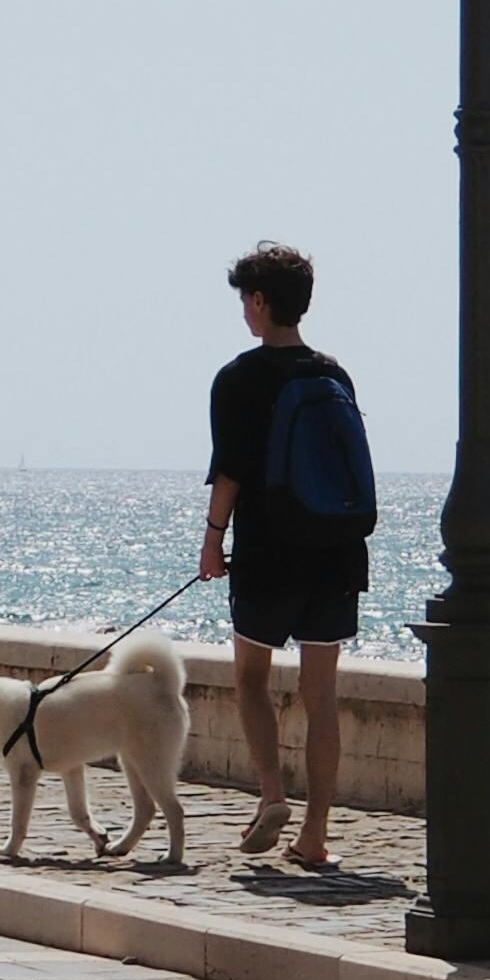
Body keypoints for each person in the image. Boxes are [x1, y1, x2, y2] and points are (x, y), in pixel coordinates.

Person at [199, 239, 370, 872]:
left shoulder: (239, 378)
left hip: (269, 553)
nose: (244, 309)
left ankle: (272, 794)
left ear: (261, 301)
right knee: (320, 695)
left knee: (250, 678)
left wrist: (214, 539)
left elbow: (230, 471)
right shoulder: (333, 375)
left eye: (246, 298)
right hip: (334, 553)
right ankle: (316, 836)